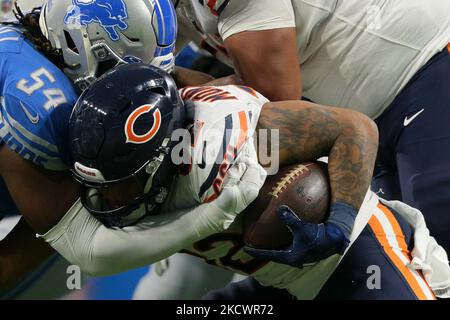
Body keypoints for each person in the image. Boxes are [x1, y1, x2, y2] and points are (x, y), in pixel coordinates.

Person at [40, 63, 449, 299]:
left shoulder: (229, 140)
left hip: (354, 255)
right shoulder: (115, 165)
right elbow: (96, 256)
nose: (112, 196)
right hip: (279, 283)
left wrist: (339, 225)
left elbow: (355, 128)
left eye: (123, 182)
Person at [174, 0, 450, 255]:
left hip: (426, 64)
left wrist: (193, 94)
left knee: (440, 225)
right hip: (371, 113)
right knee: (405, 252)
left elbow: (277, 93)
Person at [0, 0, 196, 298]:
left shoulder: (46, 30)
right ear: (84, 48)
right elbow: (83, 247)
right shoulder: (43, 106)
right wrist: (204, 218)